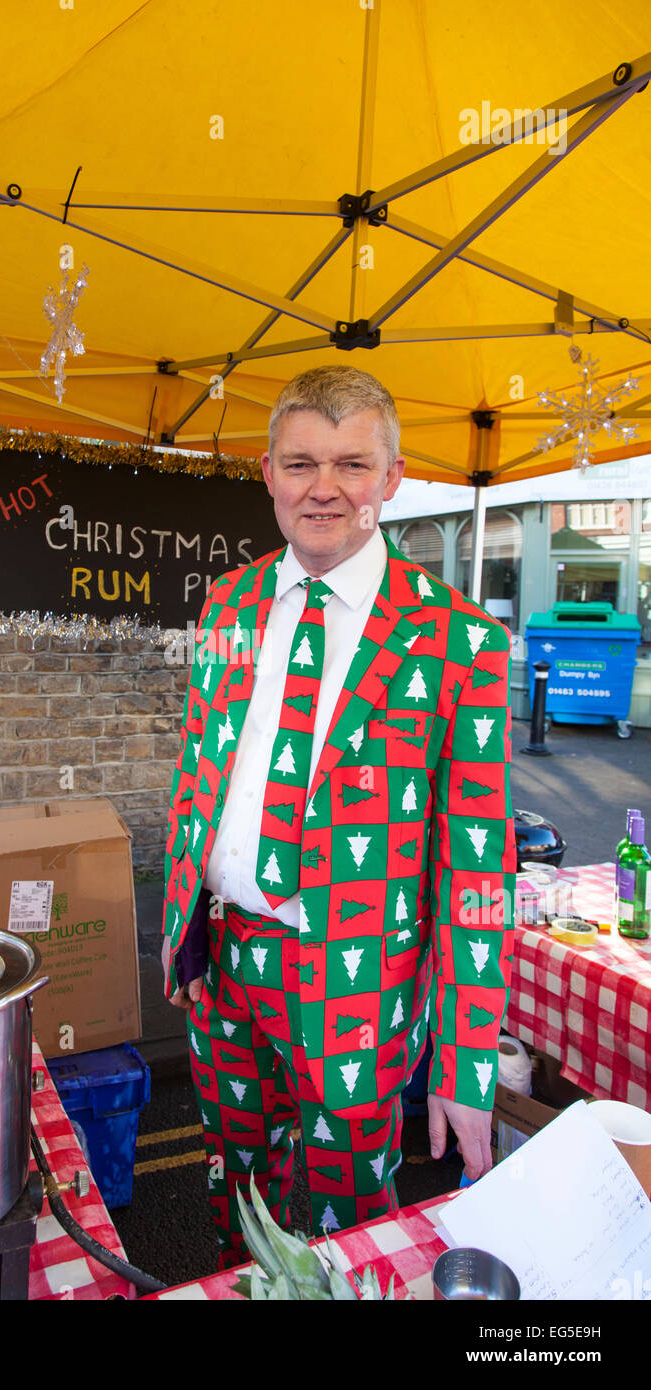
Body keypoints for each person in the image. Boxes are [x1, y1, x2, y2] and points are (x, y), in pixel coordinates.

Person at [161, 365, 515, 1266]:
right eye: (301, 463)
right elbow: (203, 775)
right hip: (221, 957)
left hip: (355, 983)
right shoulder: (229, 604)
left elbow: (477, 868)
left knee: (342, 1231)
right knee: (233, 1200)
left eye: (352, 465)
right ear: (268, 474)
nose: (325, 488)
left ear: (392, 479)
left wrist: (469, 1065)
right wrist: (178, 932)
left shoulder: (462, 642)